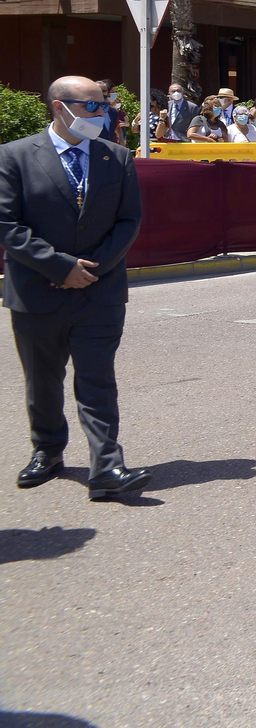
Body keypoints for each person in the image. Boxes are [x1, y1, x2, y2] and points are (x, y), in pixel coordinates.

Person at [3, 75, 150, 499]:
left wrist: (94, 268)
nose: (100, 114)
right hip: (37, 291)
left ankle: (107, 468)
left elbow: (129, 220)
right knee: (43, 380)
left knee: (97, 380)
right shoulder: (14, 157)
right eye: (90, 107)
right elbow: (8, 225)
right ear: (58, 106)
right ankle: (47, 451)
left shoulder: (117, 158)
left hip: (98, 291)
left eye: (102, 106)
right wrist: (59, 266)